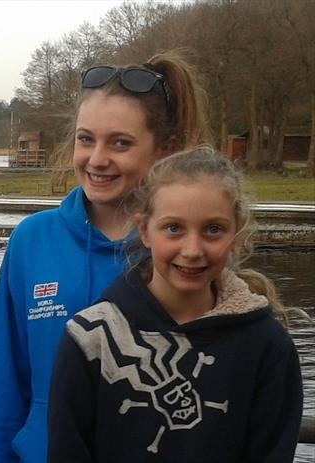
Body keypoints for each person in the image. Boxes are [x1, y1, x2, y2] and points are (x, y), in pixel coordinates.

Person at [0, 50, 211, 463]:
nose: (97, 159)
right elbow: (3, 385)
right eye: (86, 139)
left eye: (120, 143)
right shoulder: (33, 240)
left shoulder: (186, 252)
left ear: (164, 149)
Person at [48, 146, 303, 462]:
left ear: (235, 234)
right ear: (144, 231)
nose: (192, 249)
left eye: (213, 230)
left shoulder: (267, 346)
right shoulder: (90, 338)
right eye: (173, 228)